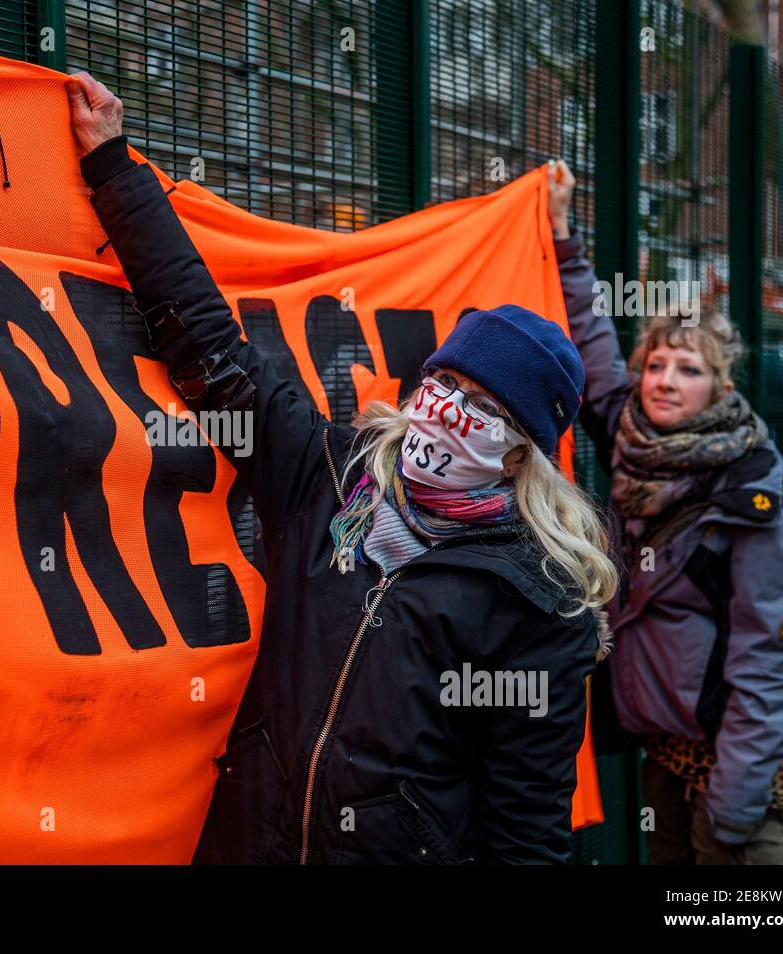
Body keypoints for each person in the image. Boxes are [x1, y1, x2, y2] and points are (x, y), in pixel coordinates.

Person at [66, 71, 617, 864]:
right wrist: (116, 171)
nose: (450, 411)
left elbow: (526, 831)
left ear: (523, 449)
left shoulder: (538, 605)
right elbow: (215, 353)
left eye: (484, 407)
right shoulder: (325, 474)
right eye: (446, 384)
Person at [550, 159, 783, 864]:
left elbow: (774, 668)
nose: (666, 381)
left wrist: (732, 814)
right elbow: (593, 347)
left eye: (690, 368)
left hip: (742, 785)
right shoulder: (633, 441)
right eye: (658, 364)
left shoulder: (751, 501)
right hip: (669, 761)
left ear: (721, 385)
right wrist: (562, 240)